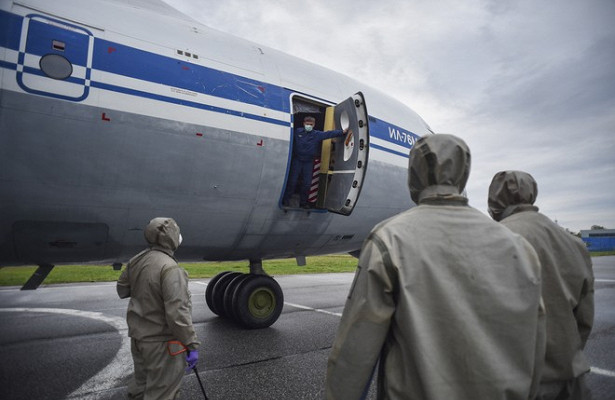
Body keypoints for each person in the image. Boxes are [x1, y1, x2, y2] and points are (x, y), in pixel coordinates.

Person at [326, 134, 546, 400]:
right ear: (463, 174)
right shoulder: (519, 247)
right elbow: (535, 343)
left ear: (414, 174)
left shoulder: (390, 239)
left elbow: (355, 352)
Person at [488, 170, 594, 400]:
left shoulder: (493, 238)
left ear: (495, 200)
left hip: (518, 382)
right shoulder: (574, 243)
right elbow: (584, 320)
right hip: (571, 379)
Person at [117, 217, 200, 400]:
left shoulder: (136, 261)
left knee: (141, 388)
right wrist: (191, 344)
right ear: (171, 237)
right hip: (162, 344)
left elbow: (122, 290)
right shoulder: (170, 268)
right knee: (163, 393)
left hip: (139, 340)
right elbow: (177, 313)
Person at [282, 115, 350, 208]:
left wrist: (342, 132)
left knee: (307, 184)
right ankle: (286, 200)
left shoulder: (316, 134)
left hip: (308, 162)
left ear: (314, 125)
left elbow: (328, 134)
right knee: (292, 182)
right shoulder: (297, 132)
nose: (309, 125)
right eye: (307, 124)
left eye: (311, 124)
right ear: (303, 124)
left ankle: (303, 203)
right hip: (297, 160)